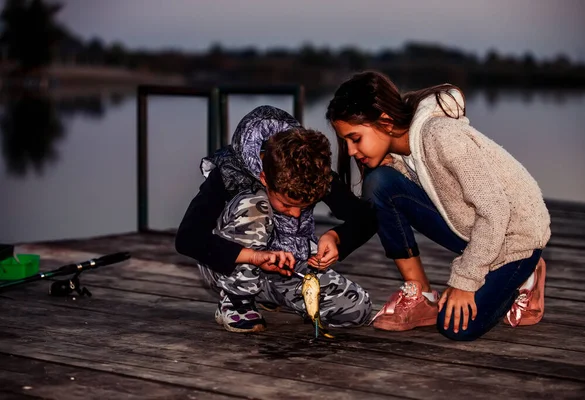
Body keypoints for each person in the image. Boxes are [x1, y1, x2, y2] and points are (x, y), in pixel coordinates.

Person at [326, 71, 551, 341]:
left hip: (516, 237)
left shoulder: (443, 136)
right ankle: (420, 295)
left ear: (385, 122)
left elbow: (495, 210)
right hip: (473, 228)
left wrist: (464, 282)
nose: (350, 151)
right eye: (346, 142)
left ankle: (529, 273)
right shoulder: (401, 148)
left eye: (355, 138)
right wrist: (395, 165)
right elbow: (430, 180)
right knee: (380, 183)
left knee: (457, 327)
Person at [176, 106, 377, 333]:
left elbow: (366, 218)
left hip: (286, 266)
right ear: (264, 177)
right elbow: (187, 238)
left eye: (305, 207)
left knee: (355, 308)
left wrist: (336, 237)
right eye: (288, 205)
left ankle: (269, 294)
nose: (296, 214)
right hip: (228, 266)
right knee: (255, 205)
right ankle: (236, 300)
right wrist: (254, 257)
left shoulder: (313, 172)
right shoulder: (228, 173)